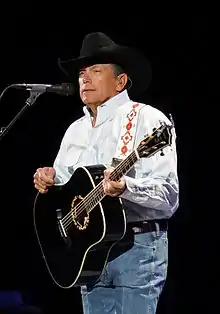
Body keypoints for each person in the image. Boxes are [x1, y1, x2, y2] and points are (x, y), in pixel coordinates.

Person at [33, 32, 179, 314]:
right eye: (81, 73)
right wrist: (49, 181)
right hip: (90, 251)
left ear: (120, 81)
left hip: (137, 249)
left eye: (95, 71)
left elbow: (169, 197)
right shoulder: (75, 129)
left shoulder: (147, 120)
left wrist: (126, 187)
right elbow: (67, 190)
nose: (84, 79)